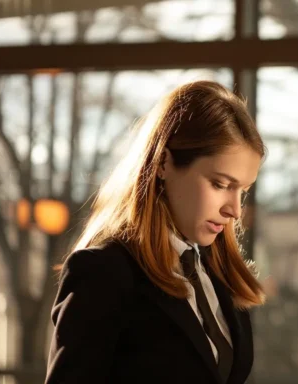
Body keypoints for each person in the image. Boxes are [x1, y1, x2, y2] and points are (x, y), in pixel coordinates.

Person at [46, 80, 267, 384]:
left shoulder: (218, 275)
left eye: (242, 190)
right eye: (220, 184)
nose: (235, 210)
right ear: (163, 162)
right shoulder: (102, 272)